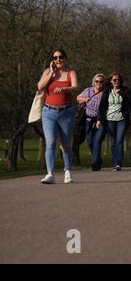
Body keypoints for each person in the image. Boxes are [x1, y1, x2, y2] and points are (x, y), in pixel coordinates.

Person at [37, 48, 78, 184]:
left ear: (65, 58)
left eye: (60, 57)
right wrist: (51, 73)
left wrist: (65, 88)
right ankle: (50, 174)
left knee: (65, 144)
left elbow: (75, 87)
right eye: (55, 58)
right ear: (52, 60)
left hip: (66, 113)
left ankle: (67, 171)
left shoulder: (70, 73)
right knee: (51, 143)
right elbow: (40, 86)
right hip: (49, 113)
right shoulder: (48, 72)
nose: (58, 60)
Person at [98, 72, 131, 171]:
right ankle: (115, 163)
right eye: (114, 80)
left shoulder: (125, 91)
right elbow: (102, 106)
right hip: (109, 119)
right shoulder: (107, 90)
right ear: (111, 81)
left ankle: (118, 163)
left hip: (122, 119)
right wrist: (99, 119)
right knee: (113, 141)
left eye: (118, 80)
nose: (117, 82)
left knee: (119, 140)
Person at [77, 73, 106, 171]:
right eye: (97, 81)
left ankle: (95, 164)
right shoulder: (88, 90)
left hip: (101, 120)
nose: (99, 83)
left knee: (97, 141)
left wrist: (100, 119)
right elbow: (78, 98)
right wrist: (85, 99)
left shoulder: (106, 93)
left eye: (101, 82)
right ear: (93, 82)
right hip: (88, 119)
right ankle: (97, 159)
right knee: (90, 142)